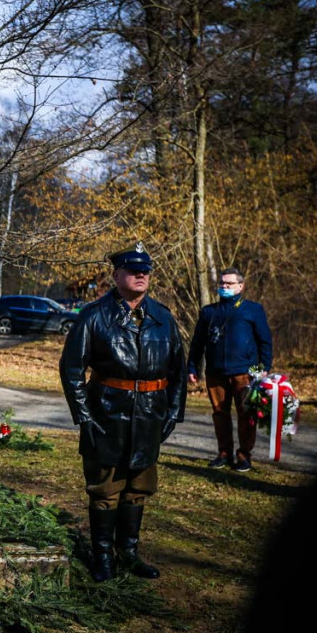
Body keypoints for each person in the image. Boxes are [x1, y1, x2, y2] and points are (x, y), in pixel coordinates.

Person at [59, 242, 186, 582]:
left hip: (149, 415)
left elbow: (177, 370)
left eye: (145, 270)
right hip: (107, 415)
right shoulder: (94, 315)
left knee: (139, 486)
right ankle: (103, 557)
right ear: (116, 275)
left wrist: (173, 411)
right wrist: (84, 417)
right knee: (105, 489)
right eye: (133, 270)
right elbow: (72, 370)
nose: (141, 274)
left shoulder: (163, 318)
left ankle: (128, 553)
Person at [187, 267, 273, 473]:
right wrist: (192, 366)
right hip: (215, 372)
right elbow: (197, 342)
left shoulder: (253, 310)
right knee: (219, 413)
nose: (224, 287)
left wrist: (264, 368)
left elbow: (265, 341)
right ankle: (224, 453)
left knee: (246, 414)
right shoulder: (209, 312)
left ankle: (244, 456)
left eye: (229, 284)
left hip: (245, 373)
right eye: (222, 284)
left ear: (240, 286)